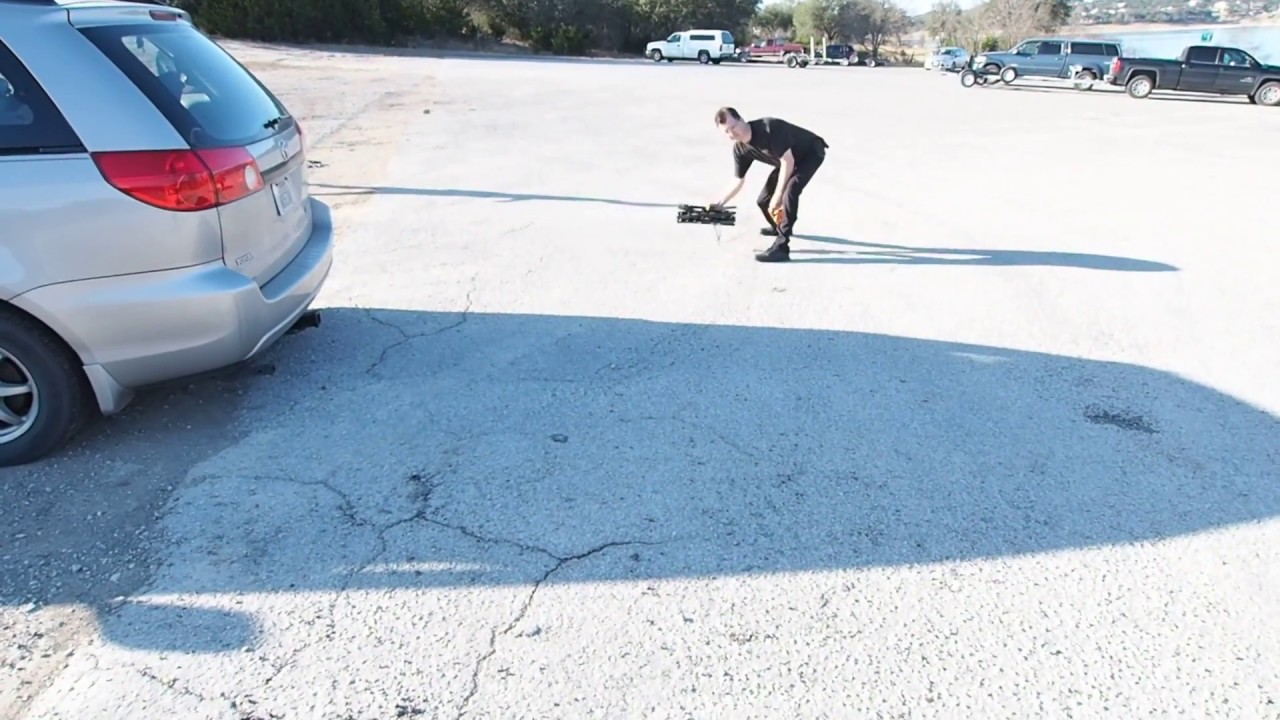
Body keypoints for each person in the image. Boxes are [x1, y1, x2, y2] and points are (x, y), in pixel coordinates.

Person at [708, 107, 828, 263]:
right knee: (763, 200)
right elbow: (738, 179)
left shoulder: (769, 128)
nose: (732, 134)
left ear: (741, 120)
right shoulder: (740, 149)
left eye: (733, 127)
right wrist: (720, 203)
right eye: (727, 132)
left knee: (789, 192)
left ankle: (781, 247)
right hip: (789, 161)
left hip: (810, 153)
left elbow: (787, 161)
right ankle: (778, 226)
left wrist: (777, 197)